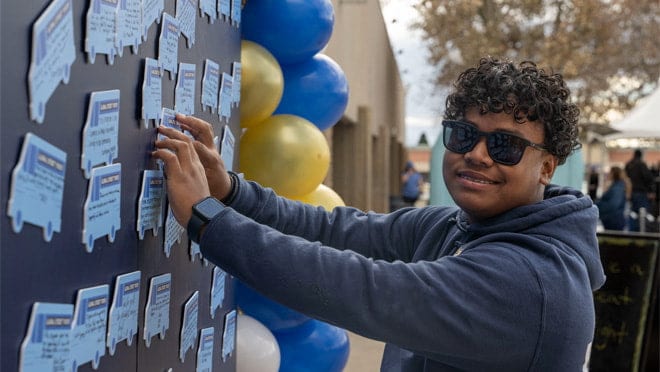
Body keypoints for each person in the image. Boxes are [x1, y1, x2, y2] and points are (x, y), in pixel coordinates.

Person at [153, 57, 605, 371]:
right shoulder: (460, 227)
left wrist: (205, 216)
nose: (478, 155)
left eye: (505, 145)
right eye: (464, 135)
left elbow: (360, 287)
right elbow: (336, 230)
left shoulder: (530, 282)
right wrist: (230, 193)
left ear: (547, 166)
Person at [624, 149, 655, 231]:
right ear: (641, 155)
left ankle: (633, 232)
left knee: (632, 214)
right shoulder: (641, 164)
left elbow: (625, 178)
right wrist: (650, 190)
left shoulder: (629, 165)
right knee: (643, 214)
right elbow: (649, 178)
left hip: (630, 193)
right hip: (641, 193)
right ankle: (642, 232)